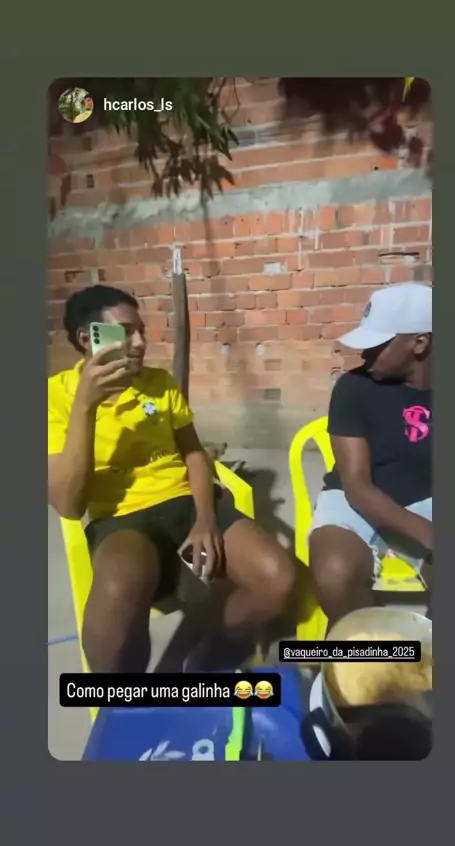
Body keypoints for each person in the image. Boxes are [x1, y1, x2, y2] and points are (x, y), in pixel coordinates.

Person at [48, 285, 295, 674]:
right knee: (120, 584)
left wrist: (206, 519)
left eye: (141, 330)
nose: (140, 343)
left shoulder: (160, 383)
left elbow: (194, 452)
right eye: (125, 332)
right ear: (87, 338)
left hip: (187, 503)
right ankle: (124, 700)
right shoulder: (54, 397)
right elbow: (67, 504)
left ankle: (205, 662)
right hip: (122, 518)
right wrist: (86, 405)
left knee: (277, 579)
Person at [309, 282, 432, 628]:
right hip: (356, 499)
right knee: (334, 574)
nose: (365, 355)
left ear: (419, 343)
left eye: (377, 345)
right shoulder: (353, 388)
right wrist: (432, 536)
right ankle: (374, 651)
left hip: (430, 498)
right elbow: (357, 487)